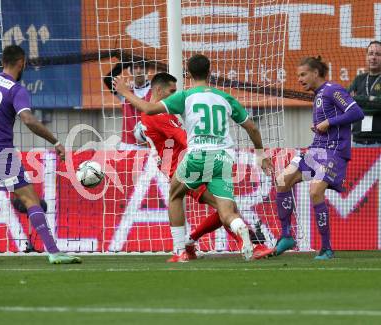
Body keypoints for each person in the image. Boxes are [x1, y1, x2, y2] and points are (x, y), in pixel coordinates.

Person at [114, 54, 273, 262]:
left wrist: (125, 93)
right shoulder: (223, 97)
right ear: (210, 72)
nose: (174, 94)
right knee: (227, 209)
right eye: (171, 91)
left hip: (193, 162)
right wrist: (260, 154)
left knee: (181, 198)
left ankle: (184, 247)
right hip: (222, 157)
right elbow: (251, 127)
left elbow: (174, 130)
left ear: (188, 74)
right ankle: (244, 244)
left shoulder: (180, 101)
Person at [0, 45, 81, 265]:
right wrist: (55, 141)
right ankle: (54, 252)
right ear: (22, 62)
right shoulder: (15, 90)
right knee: (30, 198)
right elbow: (28, 120)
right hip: (1, 153)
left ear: (2, 62)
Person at [273, 56, 364, 260]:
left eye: (303, 74)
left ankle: (326, 247)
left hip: (334, 152)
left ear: (316, 73)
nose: (300, 79)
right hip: (316, 150)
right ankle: (287, 235)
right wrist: (319, 129)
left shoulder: (333, 89)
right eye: (298, 76)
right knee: (282, 180)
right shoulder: (319, 95)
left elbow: (357, 112)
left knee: (315, 191)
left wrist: (329, 122)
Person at [104, 59, 151, 150]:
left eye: (141, 67)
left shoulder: (155, 89)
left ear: (147, 70)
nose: (138, 71)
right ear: (131, 70)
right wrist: (124, 64)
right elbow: (108, 79)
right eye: (135, 67)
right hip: (128, 145)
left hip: (149, 145)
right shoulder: (124, 89)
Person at [349, 41, 381, 147]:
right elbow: (347, 102)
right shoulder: (359, 79)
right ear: (366, 56)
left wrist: (357, 100)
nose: (373, 57)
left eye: (378, 54)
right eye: (371, 53)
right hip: (357, 142)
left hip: (378, 142)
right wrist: (371, 100)